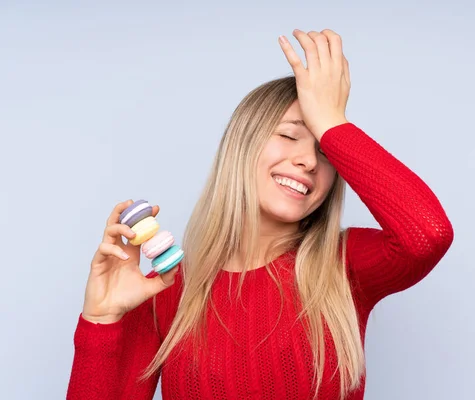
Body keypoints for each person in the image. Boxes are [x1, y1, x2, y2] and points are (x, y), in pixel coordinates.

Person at [67, 28, 454, 400]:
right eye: (289, 135)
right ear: (242, 146)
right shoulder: (165, 291)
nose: (307, 161)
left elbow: (428, 235)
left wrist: (334, 121)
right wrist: (100, 322)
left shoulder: (342, 266)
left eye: (325, 151)